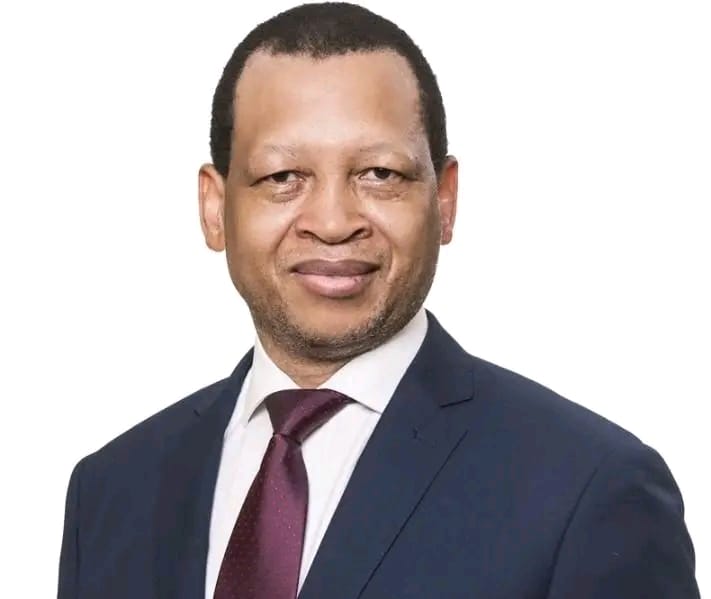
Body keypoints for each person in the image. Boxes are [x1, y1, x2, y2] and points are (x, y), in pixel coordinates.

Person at [57, 2, 700, 598]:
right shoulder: (111, 491)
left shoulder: (588, 490)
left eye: (379, 174)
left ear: (444, 199)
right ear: (214, 207)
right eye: (283, 177)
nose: (333, 222)